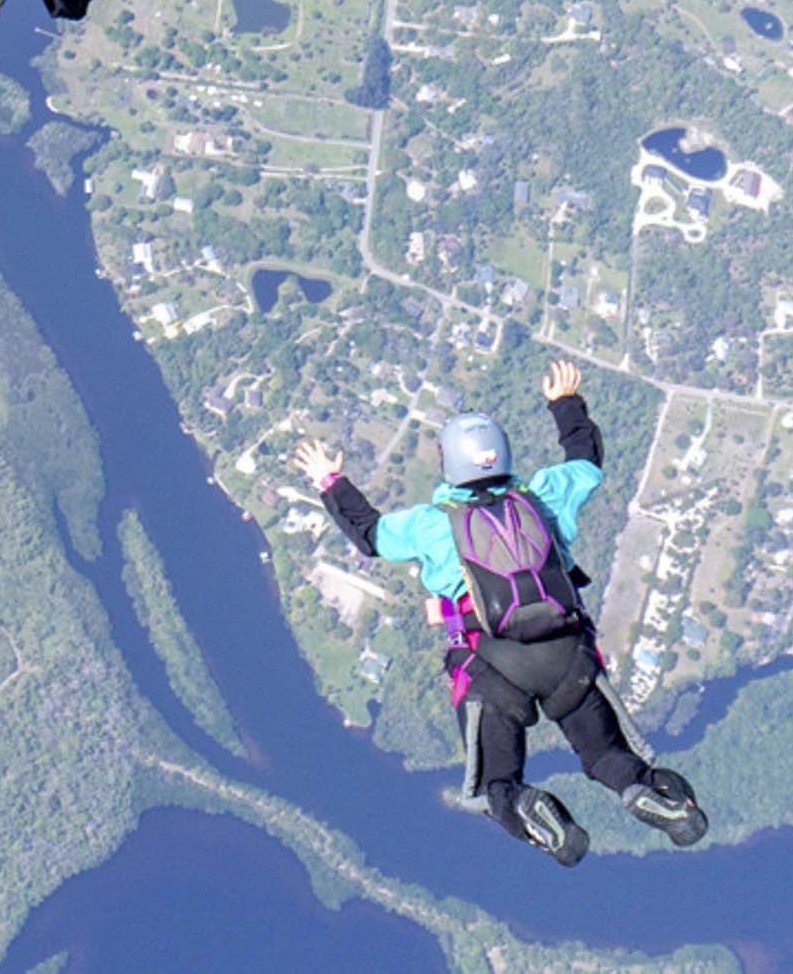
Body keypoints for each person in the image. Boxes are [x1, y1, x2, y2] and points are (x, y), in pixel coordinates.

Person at [293, 362, 709, 867]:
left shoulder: (432, 525)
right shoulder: (543, 499)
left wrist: (330, 481)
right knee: (608, 758)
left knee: (496, 786)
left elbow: (370, 535)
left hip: (492, 669)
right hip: (568, 656)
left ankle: (536, 813)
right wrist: (566, 403)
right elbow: (587, 461)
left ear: (449, 464)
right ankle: (658, 799)